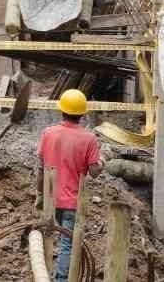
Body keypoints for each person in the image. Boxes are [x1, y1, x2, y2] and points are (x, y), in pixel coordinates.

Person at [36, 89, 103, 282]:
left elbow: (41, 168)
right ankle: (61, 279)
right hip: (72, 202)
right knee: (67, 244)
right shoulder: (89, 138)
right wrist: (103, 162)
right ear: (82, 114)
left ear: (61, 111)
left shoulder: (48, 133)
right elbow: (94, 172)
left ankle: (47, 275)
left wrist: (40, 194)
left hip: (51, 199)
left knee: (51, 237)